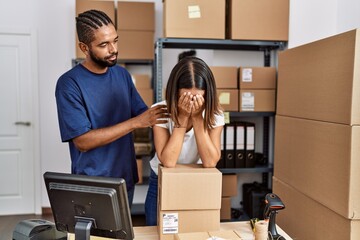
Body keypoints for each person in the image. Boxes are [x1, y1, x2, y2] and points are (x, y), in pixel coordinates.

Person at [55, 9, 167, 207]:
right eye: (104, 44)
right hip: (93, 183)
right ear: (84, 47)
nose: (113, 49)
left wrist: (179, 109)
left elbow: (145, 114)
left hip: (125, 179)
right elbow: (83, 141)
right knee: (96, 238)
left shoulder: (122, 75)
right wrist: (136, 123)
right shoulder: (69, 84)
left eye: (115, 40)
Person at [144, 56, 225, 226]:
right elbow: (168, 161)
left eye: (197, 98)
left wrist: (196, 118)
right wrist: (181, 118)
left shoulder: (215, 114)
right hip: (161, 181)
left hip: (195, 180)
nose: (192, 102)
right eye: (187, 97)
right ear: (176, 92)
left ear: (207, 93)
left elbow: (210, 162)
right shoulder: (159, 111)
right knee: (155, 231)